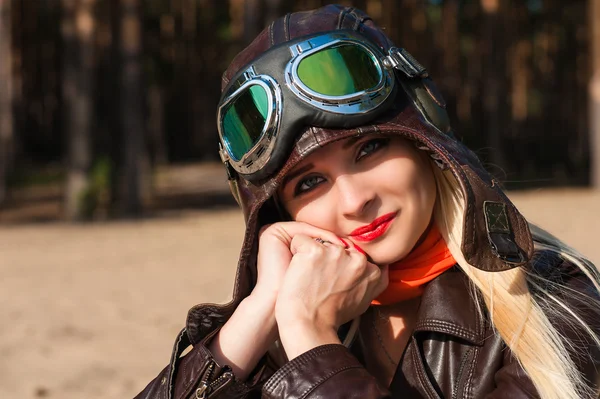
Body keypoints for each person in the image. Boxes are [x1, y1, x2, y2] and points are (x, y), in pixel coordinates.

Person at [136, 5, 600, 399]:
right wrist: (260, 310)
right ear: (281, 213)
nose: (356, 200)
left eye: (370, 149)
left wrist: (313, 345)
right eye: (310, 182)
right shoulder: (286, 321)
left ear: (424, 143)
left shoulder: (555, 305)